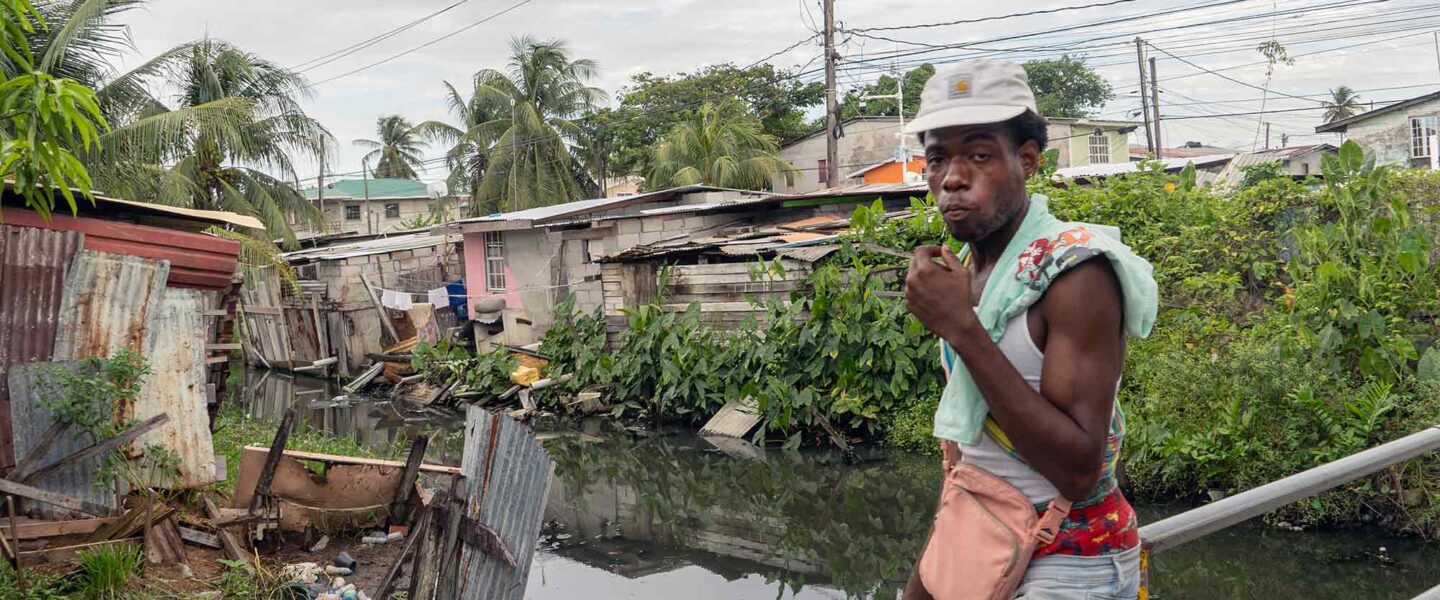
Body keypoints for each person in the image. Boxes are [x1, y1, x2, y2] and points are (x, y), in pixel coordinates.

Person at [899, 59, 1159, 599]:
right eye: (937, 158)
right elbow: (976, 455)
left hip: (1071, 557)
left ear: (1027, 160)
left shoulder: (1076, 273)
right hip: (987, 533)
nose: (952, 177)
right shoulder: (972, 275)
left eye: (978, 154)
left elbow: (1079, 468)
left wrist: (961, 329)